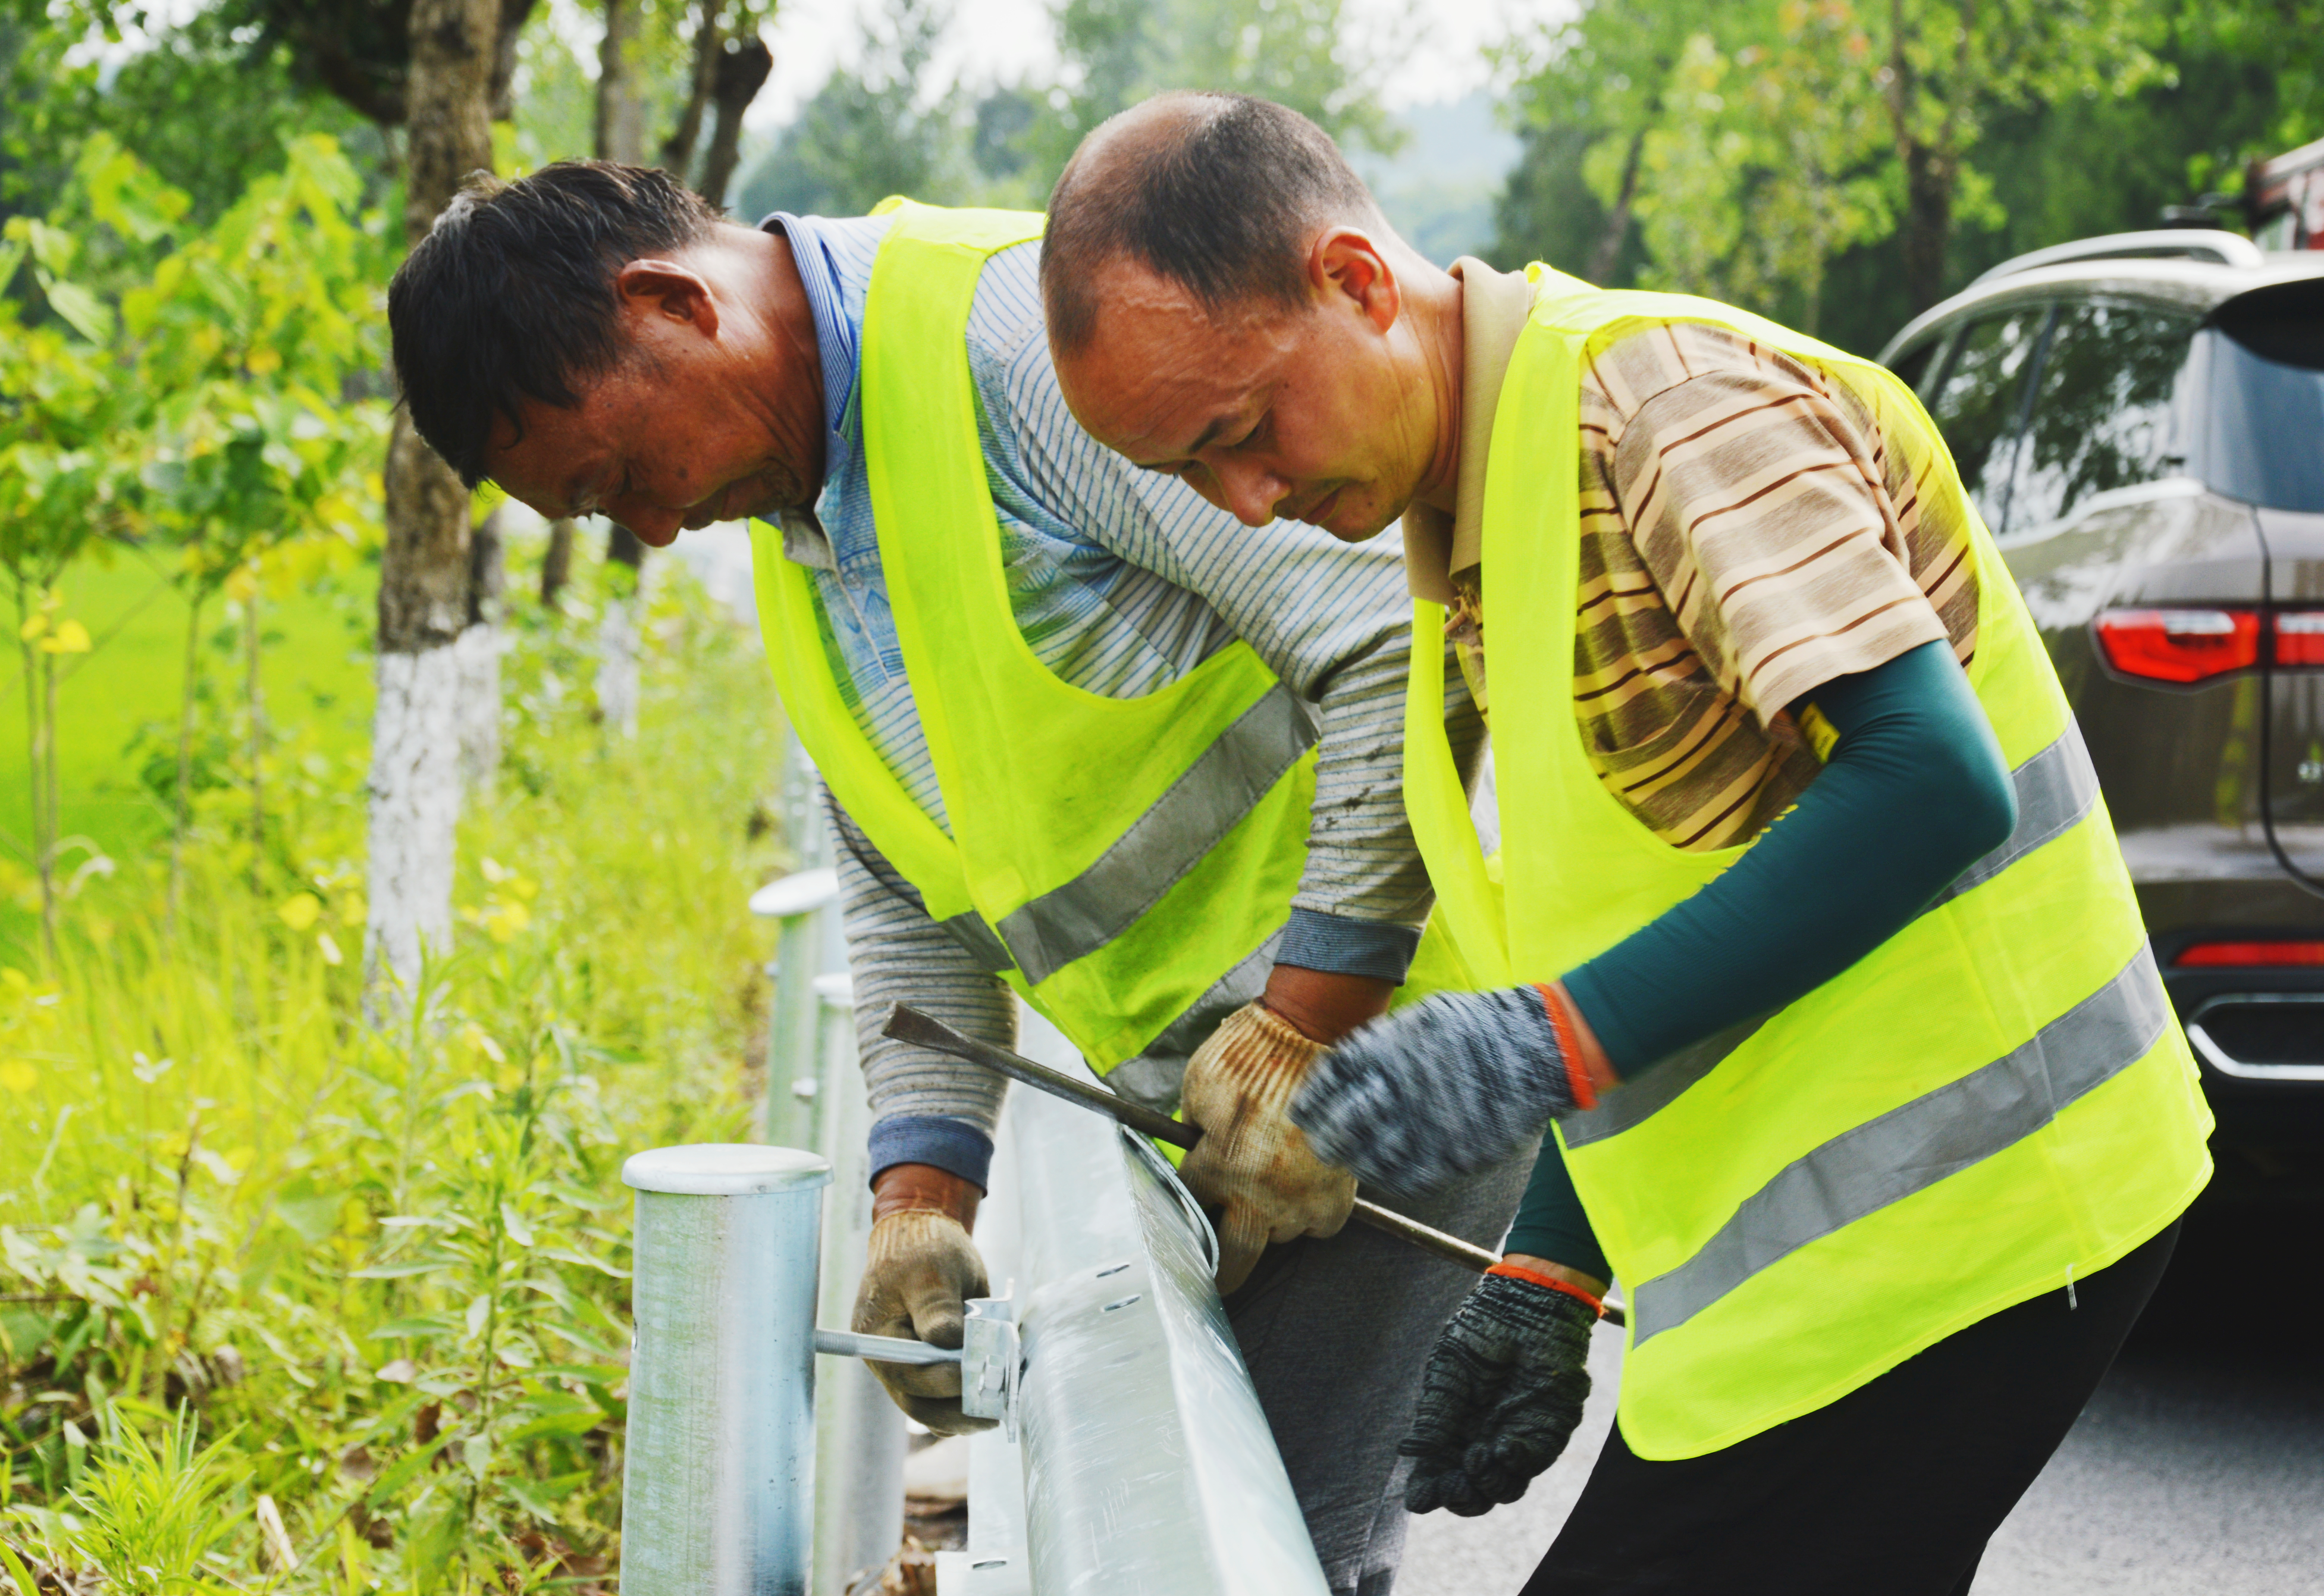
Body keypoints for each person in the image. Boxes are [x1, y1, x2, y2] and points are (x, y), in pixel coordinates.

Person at [1042, 93, 2214, 1595]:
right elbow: (1646, 895)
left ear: (1355, 279)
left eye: (1244, 432)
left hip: (1983, 1232)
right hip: (1818, 1296)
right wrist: (1547, 1260)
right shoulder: (1467, 533)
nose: (1249, 504)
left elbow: (1933, 779)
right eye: (1194, 477)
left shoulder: (1658, 403)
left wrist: (1531, 1050)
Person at [384, 160, 1527, 1595]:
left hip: (1380, 1064)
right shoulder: (804, 514)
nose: (659, 529)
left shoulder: (1016, 352)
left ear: (670, 305)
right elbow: (908, 873)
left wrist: (1308, 1016)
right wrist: (921, 1196)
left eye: (620, 479)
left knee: (1257, 1548)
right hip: (1217, 1119)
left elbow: (1387, 640)